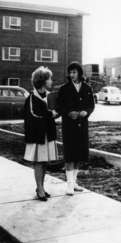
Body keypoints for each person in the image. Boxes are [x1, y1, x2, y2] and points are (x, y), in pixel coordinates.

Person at [57, 62, 95, 195]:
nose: (72, 74)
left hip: (82, 125)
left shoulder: (87, 88)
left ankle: (74, 183)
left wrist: (87, 112)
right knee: (69, 155)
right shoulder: (64, 88)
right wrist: (68, 113)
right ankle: (69, 185)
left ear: (79, 73)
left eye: (74, 72)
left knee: (79, 155)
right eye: (70, 72)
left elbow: (91, 105)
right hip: (69, 125)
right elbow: (59, 106)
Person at [24, 66, 59, 201]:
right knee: (38, 162)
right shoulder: (32, 98)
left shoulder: (48, 96)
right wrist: (51, 114)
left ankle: (41, 187)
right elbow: (34, 115)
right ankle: (39, 189)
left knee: (44, 162)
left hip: (47, 134)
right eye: (49, 78)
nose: (51, 81)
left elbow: (52, 112)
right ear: (43, 81)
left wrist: (55, 113)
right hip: (38, 136)